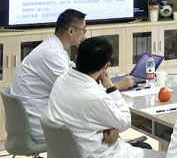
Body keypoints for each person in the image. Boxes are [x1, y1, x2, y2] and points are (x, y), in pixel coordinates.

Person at [46, 36, 165, 158]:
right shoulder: (95, 96)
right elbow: (124, 122)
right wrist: (111, 88)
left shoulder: (61, 81)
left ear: (76, 58)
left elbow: (89, 110)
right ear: (106, 66)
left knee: (144, 148)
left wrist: (110, 126)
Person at [11, 9, 133, 143]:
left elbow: (77, 72)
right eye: (84, 30)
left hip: (42, 116)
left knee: (105, 122)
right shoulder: (51, 54)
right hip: (41, 125)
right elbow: (79, 89)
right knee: (107, 124)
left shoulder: (55, 48)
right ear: (71, 31)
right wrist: (115, 86)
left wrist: (87, 52)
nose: (84, 34)